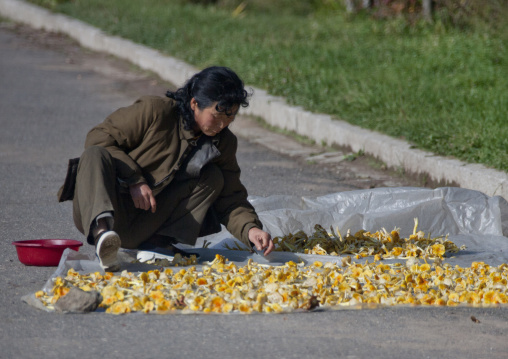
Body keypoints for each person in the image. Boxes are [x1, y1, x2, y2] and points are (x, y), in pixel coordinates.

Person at [58, 66, 274, 271]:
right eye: (216, 116)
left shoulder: (223, 143)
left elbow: (231, 196)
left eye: (229, 118)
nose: (221, 125)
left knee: (214, 177)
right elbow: (98, 137)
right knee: (95, 153)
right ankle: (104, 239)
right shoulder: (155, 111)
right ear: (194, 104)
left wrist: (250, 229)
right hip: (113, 209)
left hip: (150, 222)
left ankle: (158, 245)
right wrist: (135, 180)